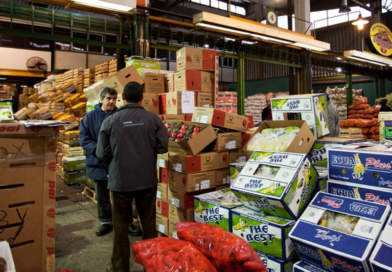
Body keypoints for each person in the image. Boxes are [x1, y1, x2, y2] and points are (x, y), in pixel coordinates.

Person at [96, 82, 168, 272]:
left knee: (120, 226)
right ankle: (151, 265)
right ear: (142, 98)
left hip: (120, 182)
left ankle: (119, 267)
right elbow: (163, 147)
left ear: (123, 98)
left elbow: (101, 153)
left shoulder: (110, 121)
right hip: (146, 181)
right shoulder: (153, 119)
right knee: (149, 224)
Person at [79, 87, 141, 237]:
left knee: (122, 195)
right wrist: (100, 151)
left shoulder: (122, 116)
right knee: (102, 195)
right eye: (108, 98)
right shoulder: (90, 118)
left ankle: (126, 223)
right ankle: (106, 221)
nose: (112, 101)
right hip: (98, 162)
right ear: (101, 100)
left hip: (118, 163)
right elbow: (84, 140)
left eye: (114, 98)